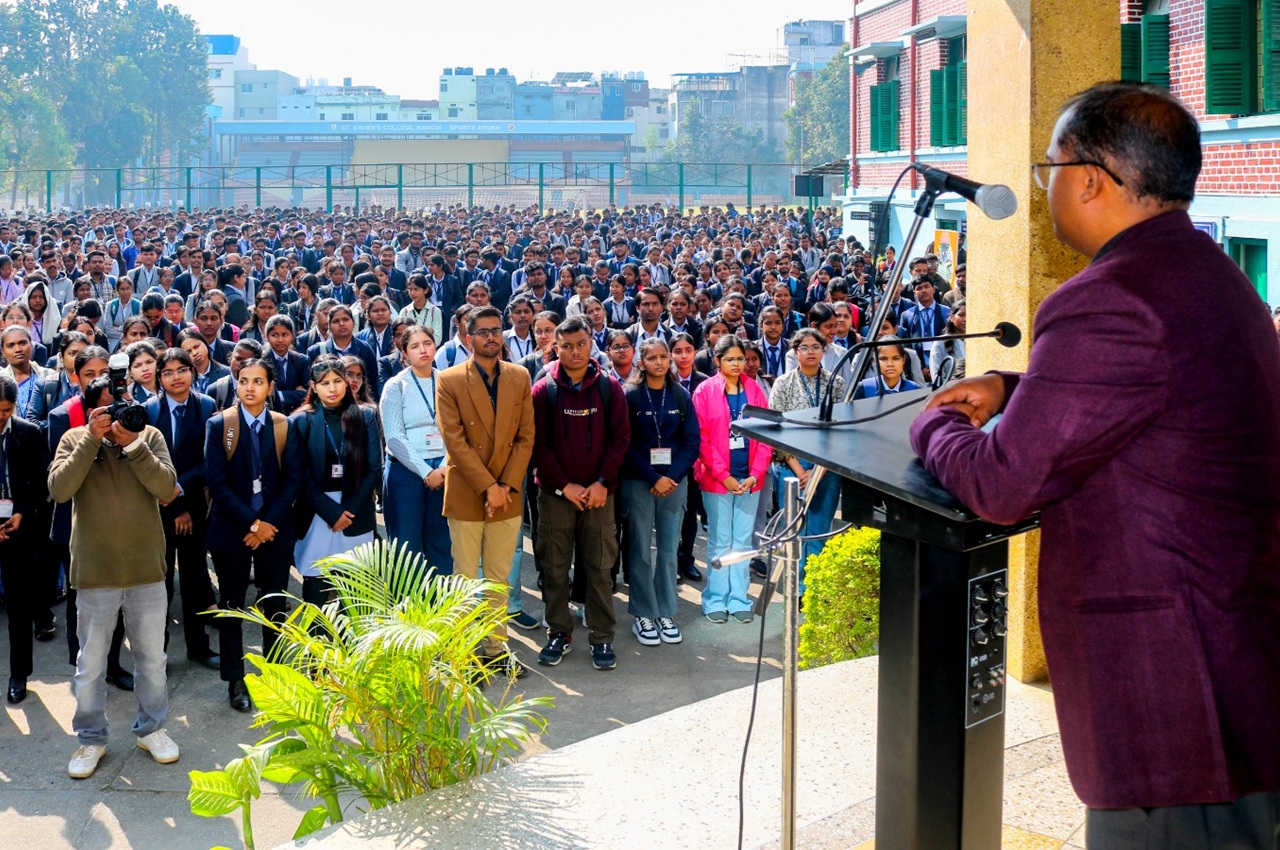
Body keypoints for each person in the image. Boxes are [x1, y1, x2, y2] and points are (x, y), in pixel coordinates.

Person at [911, 82, 1280, 846]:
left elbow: (1002, 485)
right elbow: (1162, 388)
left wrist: (933, 423)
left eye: (1049, 166)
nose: (1044, 185)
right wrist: (1016, 386)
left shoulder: (1110, 297)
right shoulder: (1203, 269)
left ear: (1089, 179)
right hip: (1231, 657)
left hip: (1174, 708)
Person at [48, 372, 180, 779]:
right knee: (90, 665)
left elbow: (168, 489)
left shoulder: (149, 437)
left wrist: (134, 445)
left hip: (146, 570)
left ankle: (151, 729)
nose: (119, 416)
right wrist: (91, 439)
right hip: (95, 573)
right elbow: (59, 490)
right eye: (109, 409)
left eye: (123, 406)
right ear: (92, 411)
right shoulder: (74, 439)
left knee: (152, 660)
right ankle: (91, 739)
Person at [436, 306, 538, 674]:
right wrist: (489, 487)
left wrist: (505, 485)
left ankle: (495, 649)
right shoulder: (449, 379)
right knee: (464, 576)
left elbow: (525, 437)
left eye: (496, 330)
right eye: (482, 332)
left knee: (498, 577)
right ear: (469, 338)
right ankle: (463, 653)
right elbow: (455, 441)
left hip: (507, 492)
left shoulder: (519, 376)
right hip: (467, 489)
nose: (491, 337)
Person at [530, 316, 630, 671]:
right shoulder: (543, 389)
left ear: (591, 344)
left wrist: (602, 482)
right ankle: (559, 631)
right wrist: (564, 485)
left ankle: (601, 636)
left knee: (600, 568)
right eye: (567, 346)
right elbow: (538, 444)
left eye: (581, 344)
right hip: (556, 495)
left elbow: (620, 439)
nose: (575, 351)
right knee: (555, 567)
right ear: (555, 348)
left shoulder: (608, 387)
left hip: (599, 495)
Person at [204, 358, 301, 713]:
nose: (250, 387)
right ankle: (235, 679)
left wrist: (267, 524)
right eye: (243, 380)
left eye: (258, 381)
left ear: (270, 387)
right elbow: (217, 483)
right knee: (232, 606)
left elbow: (293, 480)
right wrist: (252, 524)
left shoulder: (283, 425)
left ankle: (273, 675)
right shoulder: (220, 425)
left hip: (275, 530)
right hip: (233, 529)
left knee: (274, 604)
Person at [143, 347, 219, 668]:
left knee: (194, 577)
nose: (176, 377)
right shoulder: (148, 410)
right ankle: (156, 653)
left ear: (193, 371)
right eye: (168, 372)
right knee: (159, 583)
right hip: (157, 509)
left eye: (182, 370)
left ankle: (199, 647)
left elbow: (209, 459)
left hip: (194, 505)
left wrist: (179, 493)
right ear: (159, 378)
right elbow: (143, 461)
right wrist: (173, 505)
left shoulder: (207, 406)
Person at [620, 338, 699, 647]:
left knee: (668, 550)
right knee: (640, 549)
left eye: (663, 357)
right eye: (652, 358)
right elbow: (623, 443)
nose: (659, 362)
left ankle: (665, 611)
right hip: (639, 481)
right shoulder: (630, 395)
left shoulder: (680, 394)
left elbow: (691, 442)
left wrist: (671, 476)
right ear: (641, 362)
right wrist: (653, 476)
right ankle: (643, 613)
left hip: (674, 483)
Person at [291, 356, 381, 608]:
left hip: (355, 511)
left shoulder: (365, 416)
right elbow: (300, 475)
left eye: (338, 381)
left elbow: (374, 468)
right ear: (313, 386)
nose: (332, 388)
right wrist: (331, 513)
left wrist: (348, 510)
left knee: (355, 592)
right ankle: (316, 634)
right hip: (317, 512)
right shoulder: (300, 420)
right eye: (325, 383)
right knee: (316, 589)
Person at [692, 335, 769, 624]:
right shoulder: (704, 391)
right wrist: (723, 476)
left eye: (741, 359)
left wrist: (755, 474)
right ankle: (715, 598)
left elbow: (765, 435)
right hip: (717, 480)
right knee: (720, 540)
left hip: (750, 480)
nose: (737, 364)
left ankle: (739, 597)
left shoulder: (755, 390)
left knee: (743, 541)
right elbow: (702, 439)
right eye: (730, 359)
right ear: (717, 361)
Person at [769, 328, 844, 592]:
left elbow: (841, 431)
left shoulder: (836, 384)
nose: (810, 352)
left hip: (827, 466)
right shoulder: (783, 383)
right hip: (791, 464)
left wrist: (818, 471)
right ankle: (795, 588)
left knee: (820, 530)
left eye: (816, 347)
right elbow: (775, 431)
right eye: (804, 347)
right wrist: (801, 471)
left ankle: (814, 588)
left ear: (824, 350)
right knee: (794, 530)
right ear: (795, 351)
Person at [379, 326, 453, 574]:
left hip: (444, 470)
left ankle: (441, 596)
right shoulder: (396, 386)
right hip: (406, 472)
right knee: (406, 546)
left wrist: (443, 467)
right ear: (404, 353)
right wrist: (425, 471)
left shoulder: (448, 381)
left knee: (442, 542)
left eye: (427, 343)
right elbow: (394, 437)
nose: (423, 350)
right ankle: (408, 598)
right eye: (414, 346)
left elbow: (459, 430)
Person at [0, 374, 52, 704]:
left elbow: (41, 482)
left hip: (17, 529)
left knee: (18, 606)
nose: (0, 417)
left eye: (6, 411)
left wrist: (21, 511)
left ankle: (19, 674)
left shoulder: (28, 433)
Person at [852, 337, 921, 399]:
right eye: (883, 359)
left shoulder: (914, 389)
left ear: (903, 360)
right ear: (876, 361)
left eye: (895, 358)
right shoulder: (863, 389)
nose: (890, 364)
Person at [929, 300, 966, 381]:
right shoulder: (939, 343)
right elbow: (937, 378)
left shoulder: (978, 342)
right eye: (961, 315)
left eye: (969, 315)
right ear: (952, 318)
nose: (965, 319)